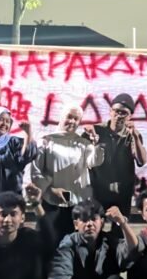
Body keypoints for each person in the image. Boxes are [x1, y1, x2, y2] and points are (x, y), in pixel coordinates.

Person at [26, 103, 105, 257]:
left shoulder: (83, 144)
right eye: (70, 117)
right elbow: (36, 172)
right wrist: (50, 190)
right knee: (48, 243)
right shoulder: (46, 142)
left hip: (76, 204)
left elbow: (94, 161)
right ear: (62, 117)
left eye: (76, 119)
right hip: (51, 203)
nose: (72, 121)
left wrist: (96, 144)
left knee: (73, 247)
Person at [88, 94, 147, 221]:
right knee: (96, 226)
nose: (119, 115)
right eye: (116, 111)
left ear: (130, 116)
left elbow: (141, 161)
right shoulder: (96, 130)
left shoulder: (132, 135)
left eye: (124, 113)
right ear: (110, 111)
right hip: (97, 191)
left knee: (120, 227)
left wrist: (135, 136)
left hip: (122, 194)